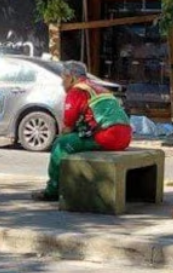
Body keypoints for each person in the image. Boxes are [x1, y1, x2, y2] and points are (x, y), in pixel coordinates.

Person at [31, 61, 133, 202]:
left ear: (71, 77)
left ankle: (52, 190)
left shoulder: (77, 90)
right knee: (74, 140)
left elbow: (68, 126)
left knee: (60, 145)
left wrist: (66, 136)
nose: (62, 83)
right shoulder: (98, 87)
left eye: (63, 78)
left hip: (107, 136)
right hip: (125, 137)